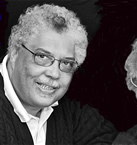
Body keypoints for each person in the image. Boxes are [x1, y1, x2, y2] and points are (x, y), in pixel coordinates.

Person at [0, 4, 118, 145]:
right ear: (15, 52)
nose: (54, 73)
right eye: (42, 57)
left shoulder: (74, 114)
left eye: (67, 63)